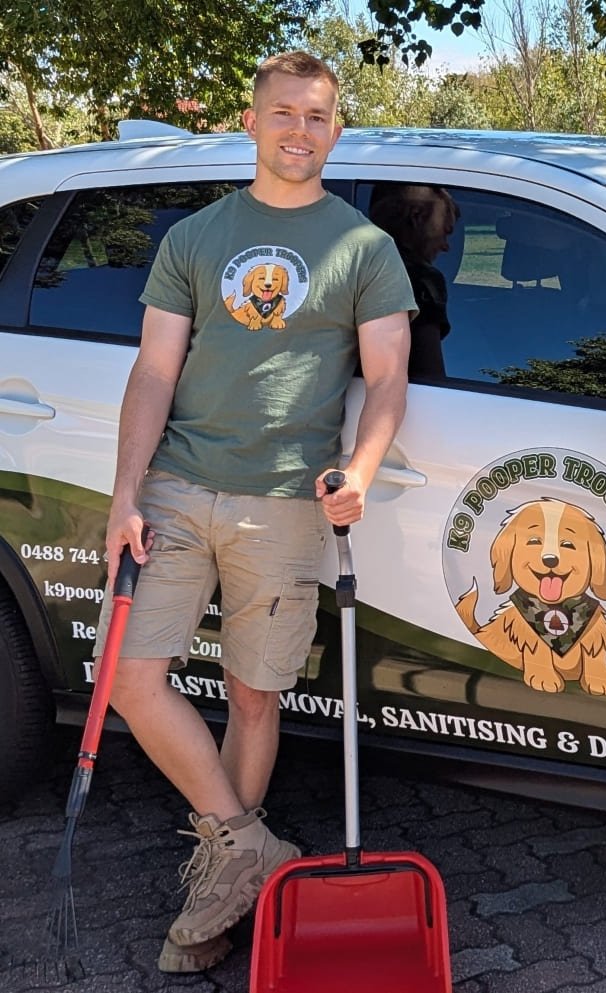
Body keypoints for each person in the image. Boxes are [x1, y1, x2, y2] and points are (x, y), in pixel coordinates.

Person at [92, 51, 415, 974]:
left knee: (252, 693)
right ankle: (247, 845)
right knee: (131, 676)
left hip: (284, 500)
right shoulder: (196, 237)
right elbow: (154, 370)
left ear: (336, 130)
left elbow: (387, 378)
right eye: (284, 114)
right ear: (252, 121)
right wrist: (125, 492)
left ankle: (217, 889)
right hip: (178, 488)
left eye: (317, 117)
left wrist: (360, 467)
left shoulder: (364, 248)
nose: (299, 132)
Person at [369, 183, 460, 378]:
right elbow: (430, 372)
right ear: (417, 216)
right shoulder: (421, 280)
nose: (446, 246)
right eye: (446, 231)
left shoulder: (357, 266)